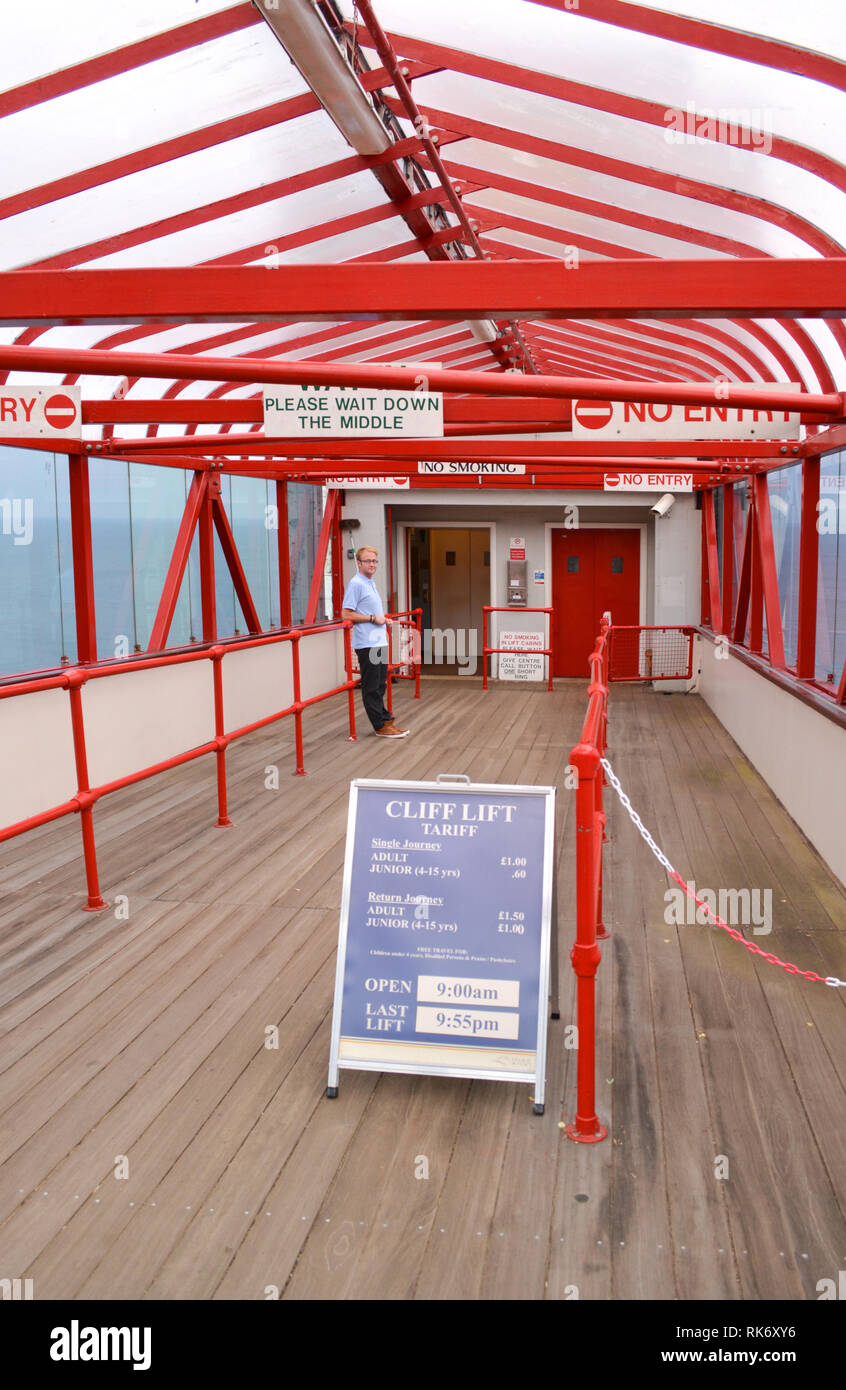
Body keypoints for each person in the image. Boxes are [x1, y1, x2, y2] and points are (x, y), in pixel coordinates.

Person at [342, 546, 409, 738]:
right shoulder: (356, 583)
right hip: (367, 643)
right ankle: (380, 726)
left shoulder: (369, 583)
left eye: (374, 561)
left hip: (378, 642)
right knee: (371, 686)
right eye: (368, 561)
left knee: (380, 684)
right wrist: (373, 618)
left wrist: (383, 619)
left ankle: (385, 719)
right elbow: (346, 613)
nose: (372, 564)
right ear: (359, 563)